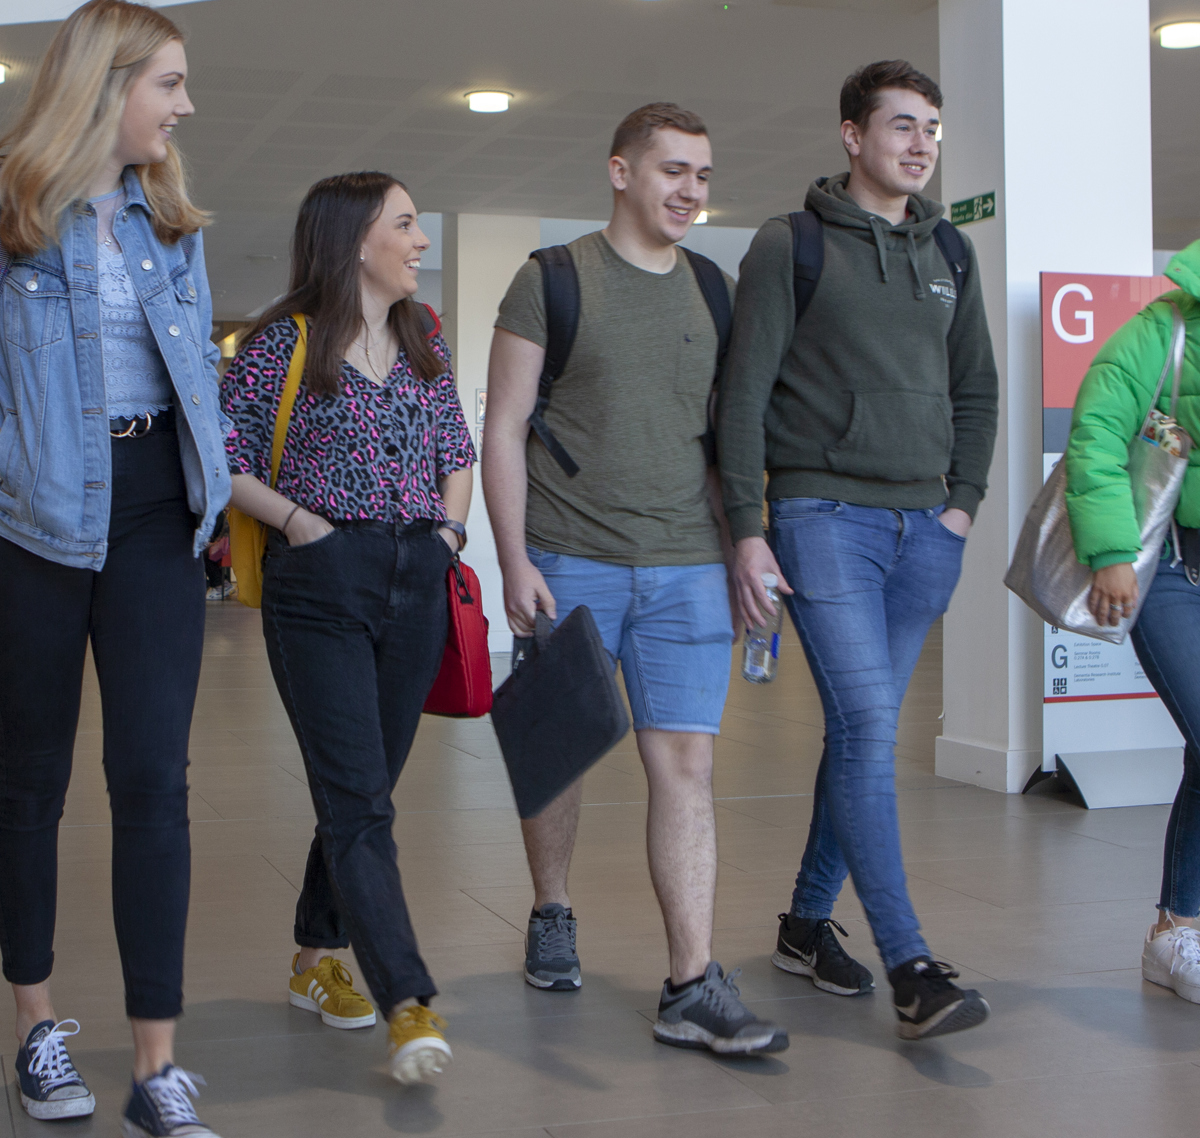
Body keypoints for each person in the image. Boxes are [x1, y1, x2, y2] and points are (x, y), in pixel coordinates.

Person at [484, 102, 788, 1057]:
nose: (690, 191)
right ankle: (552, 908)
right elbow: (502, 425)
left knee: (687, 770)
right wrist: (513, 557)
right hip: (571, 558)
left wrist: (748, 538)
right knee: (563, 753)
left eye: (701, 174)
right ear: (621, 172)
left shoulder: (713, 287)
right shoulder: (553, 281)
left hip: (689, 565)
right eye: (672, 172)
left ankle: (690, 982)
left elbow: (726, 433)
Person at [717, 60, 999, 1040]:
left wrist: (960, 508)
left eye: (932, 128)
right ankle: (910, 964)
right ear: (852, 135)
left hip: (925, 528)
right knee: (873, 723)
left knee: (857, 734)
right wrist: (748, 530)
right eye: (901, 126)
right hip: (821, 516)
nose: (921, 144)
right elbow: (743, 397)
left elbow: (978, 390)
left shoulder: (949, 252)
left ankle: (804, 923)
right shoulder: (789, 245)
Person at [0, 0, 228, 1138]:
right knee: (29, 783)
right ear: (108, 84)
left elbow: (192, 380)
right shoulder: (9, 216)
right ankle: (35, 1026)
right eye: (170, 84)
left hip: (153, 519)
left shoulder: (173, 220)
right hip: (30, 524)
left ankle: (158, 1070)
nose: (185, 106)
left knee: (153, 780)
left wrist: (222, 495)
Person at [222, 171, 474, 1085]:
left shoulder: (420, 339)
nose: (419, 241)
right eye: (405, 225)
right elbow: (224, 458)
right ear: (354, 237)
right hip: (321, 584)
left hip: (416, 576)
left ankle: (313, 956)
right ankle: (408, 998)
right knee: (360, 801)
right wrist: (296, 524)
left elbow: (457, 453)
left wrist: (448, 533)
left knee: (365, 793)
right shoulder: (278, 344)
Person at [1065, 241, 1200, 1007]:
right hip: (1172, 574)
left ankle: (1175, 930)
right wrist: (1111, 550)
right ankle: (1178, 928)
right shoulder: (1162, 331)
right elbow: (1097, 437)